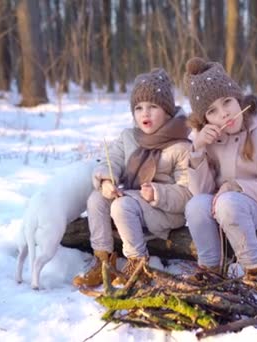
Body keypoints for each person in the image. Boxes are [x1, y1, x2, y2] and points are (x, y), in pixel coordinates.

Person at [73, 68, 191, 287]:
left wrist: (158, 193)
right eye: (138, 108)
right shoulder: (129, 137)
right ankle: (102, 260)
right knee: (97, 199)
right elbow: (111, 161)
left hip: (165, 211)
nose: (144, 114)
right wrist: (107, 180)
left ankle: (138, 264)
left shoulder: (181, 145)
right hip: (132, 200)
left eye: (152, 107)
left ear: (167, 110)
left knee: (121, 206)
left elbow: (187, 192)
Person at [183, 57, 257, 298]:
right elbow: (202, 193)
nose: (224, 114)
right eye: (212, 111)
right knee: (195, 205)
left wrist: (236, 186)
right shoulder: (207, 139)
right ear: (205, 118)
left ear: (237, 98)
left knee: (229, 201)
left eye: (227, 102)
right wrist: (197, 149)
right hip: (221, 208)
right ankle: (211, 268)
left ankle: (256, 272)